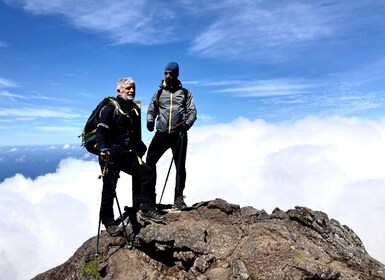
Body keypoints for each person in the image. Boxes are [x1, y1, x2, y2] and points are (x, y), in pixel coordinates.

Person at [96, 77, 165, 236]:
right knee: (110, 189)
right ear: (119, 90)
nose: (132, 91)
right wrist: (103, 149)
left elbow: (132, 133)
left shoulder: (132, 109)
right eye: (128, 88)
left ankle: (147, 208)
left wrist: (140, 147)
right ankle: (108, 221)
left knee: (147, 173)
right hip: (110, 156)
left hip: (127, 155)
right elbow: (101, 130)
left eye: (133, 88)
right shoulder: (110, 108)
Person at [146, 62, 197, 210]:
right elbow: (151, 110)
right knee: (149, 163)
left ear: (177, 74)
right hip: (161, 134)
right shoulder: (159, 93)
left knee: (180, 168)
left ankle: (178, 199)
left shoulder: (186, 93)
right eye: (166, 73)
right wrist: (150, 121)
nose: (168, 76)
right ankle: (149, 199)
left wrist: (187, 124)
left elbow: (192, 112)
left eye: (171, 73)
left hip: (179, 135)